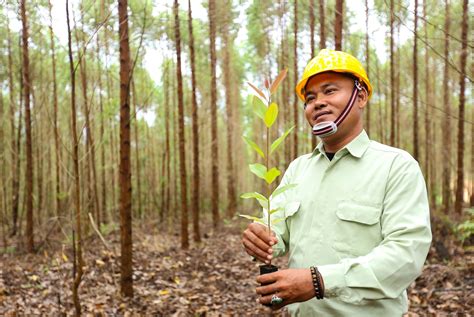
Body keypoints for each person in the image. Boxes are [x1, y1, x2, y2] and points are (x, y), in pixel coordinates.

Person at [242, 49, 432, 316]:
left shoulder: (396, 166)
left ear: (361, 96)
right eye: (310, 98)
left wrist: (319, 281)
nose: (318, 102)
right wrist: (259, 236)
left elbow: (406, 255)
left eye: (330, 91)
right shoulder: (298, 169)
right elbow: (275, 233)